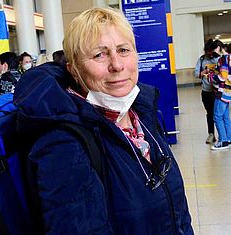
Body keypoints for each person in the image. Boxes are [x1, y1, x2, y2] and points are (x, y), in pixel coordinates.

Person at [14, 7, 193, 234]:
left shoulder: (143, 115)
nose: (117, 65)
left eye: (123, 50)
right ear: (74, 69)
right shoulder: (65, 142)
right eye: (99, 54)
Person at [195, 39, 220, 144]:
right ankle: (211, 134)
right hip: (206, 92)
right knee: (209, 113)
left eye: (211, 52)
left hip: (218, 91)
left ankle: (223, 135)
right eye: (208, 52)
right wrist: (204, 72)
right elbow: (196, 74)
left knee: (218, 114)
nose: (210, 55)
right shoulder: (201, 60)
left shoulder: (218, 59)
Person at [210, 40, 231, 150]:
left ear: (218, 48)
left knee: (217, 116)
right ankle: (229, 138)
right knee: (225, 116)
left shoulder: (224, 59)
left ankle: (223, 141)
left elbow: (223, 76)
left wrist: (211, 76)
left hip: (222, 92)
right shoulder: (230, 58)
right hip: (229, 92)